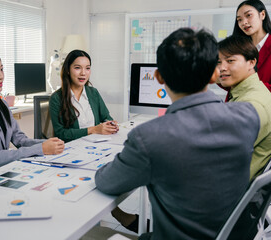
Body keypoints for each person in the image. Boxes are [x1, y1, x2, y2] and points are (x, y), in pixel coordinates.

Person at [95, 28, 260, 239]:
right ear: (214, 74)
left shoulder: (149, 137)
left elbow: (107, 182)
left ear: (158, 77)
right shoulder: (248, 116)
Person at [0, 47, 64, 166]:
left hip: (2, 168)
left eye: (1, 69)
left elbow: (20, 140)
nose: (1, 76)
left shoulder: (2, 104)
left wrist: (48, 143)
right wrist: (41, 149)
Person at [218, 35, 271, 180]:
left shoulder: (252, 104)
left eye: (230, 61)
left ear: (251, 62)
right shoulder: (245, 93)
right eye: (218, 62)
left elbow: (222, 154)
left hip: (230, 190)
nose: (222, 68)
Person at [49, 49, 118, 142]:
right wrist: (93, 130)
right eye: (77, 68)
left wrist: (110, 125)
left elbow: (106, 117)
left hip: (97, 144)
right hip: (72, 148)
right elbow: (61, 133)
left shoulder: (93, 92)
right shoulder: (56, 98)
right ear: (68, 70)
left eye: (87, 68)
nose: (83, 73)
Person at [221, 0, 271, 101]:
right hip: (238, 104)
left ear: (262, 14)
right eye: (239, 20)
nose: (244, 22)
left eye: (248, 15)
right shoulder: (239, 48)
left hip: (263, 106)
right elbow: (230, 84)